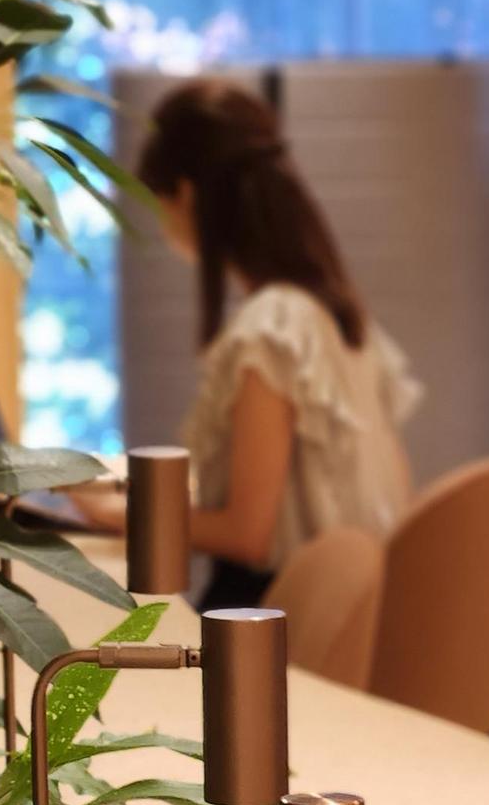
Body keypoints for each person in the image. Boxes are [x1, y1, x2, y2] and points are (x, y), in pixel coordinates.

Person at [75, 79, 420, 609]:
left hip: (266, 618)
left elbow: (248, 535)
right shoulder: (333, 312)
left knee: (94, 638)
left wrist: (118, 514)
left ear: (185, 194)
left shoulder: (271, 330)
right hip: (343, 611)